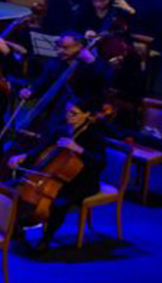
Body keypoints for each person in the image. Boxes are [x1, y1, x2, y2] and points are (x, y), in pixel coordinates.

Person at [8, 98, 108, 251]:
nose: (69, 116)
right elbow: (42, 150)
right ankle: (17, 230)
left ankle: (45, 240)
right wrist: (23, 157)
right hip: (54, 175)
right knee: (12, 188)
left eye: (74, 113)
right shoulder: (62, 129)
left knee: (59, 203)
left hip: (83, 180)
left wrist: (79, 149)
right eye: (67, 112)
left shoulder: (94, 135)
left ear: (87, 115)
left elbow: (100, 162)